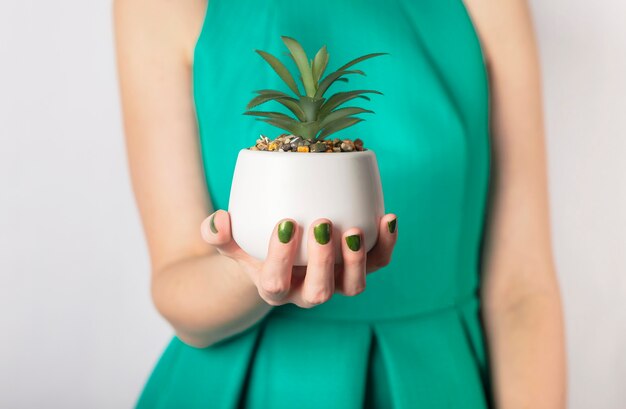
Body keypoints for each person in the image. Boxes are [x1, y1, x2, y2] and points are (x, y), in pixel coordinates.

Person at [114, 0, 566, 407]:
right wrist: (252, 273)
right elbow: (176, 286)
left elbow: (522, 289)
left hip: (432, 381)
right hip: (248, 382)